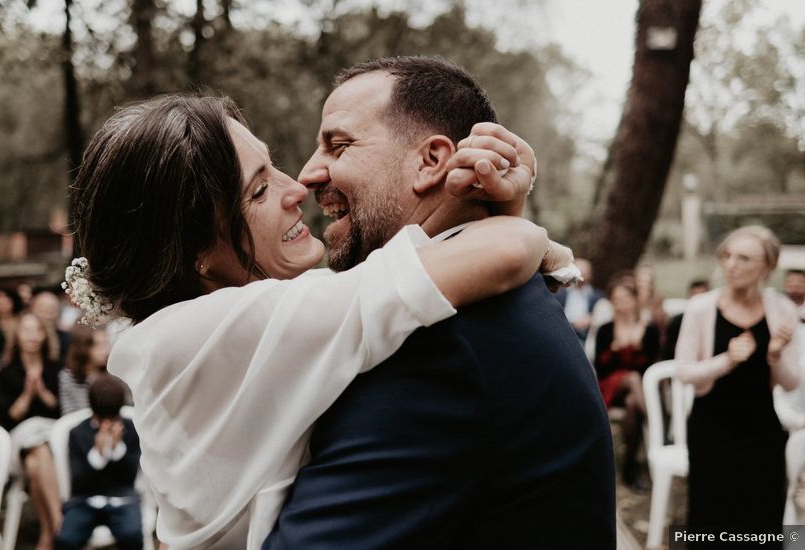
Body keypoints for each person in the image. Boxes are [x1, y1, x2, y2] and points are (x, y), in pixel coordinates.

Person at [71, 92, 579, 548]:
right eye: (258, 191)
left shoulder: (175, 334)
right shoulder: (235, 326)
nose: (297, 188)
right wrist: (501, 204)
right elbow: (509, 252)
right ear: (198, 253)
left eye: (272, 169)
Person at [261, 56, 614, 548]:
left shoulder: (435, 342)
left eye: (337, 145)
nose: (307, 174)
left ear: (430, 161)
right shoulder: (488, 296)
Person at [675, 225, 800, 543]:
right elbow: (684, 371)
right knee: (711, 523)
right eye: (727, 256)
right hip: (711, 428)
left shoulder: (781, 309)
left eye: (744, 258)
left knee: (763, 521)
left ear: (768, 266)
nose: (731, 264)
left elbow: (792, 382)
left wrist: (775, 354)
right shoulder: (702, 308)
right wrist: (726, 361)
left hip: (762, 430)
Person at [0, 311, 62, 550]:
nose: (32, 335)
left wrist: (42, 391)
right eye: (26, 330)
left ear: (45, 334)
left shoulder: (55, 367)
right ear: (17, 336)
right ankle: (59, 523)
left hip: (52, 437)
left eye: (37, 330)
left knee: (35, 464)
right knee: (36, 451)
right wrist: (27, 394)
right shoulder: (7, 370)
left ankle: (47, 532)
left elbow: (61, 410)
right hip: (21, 440)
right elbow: (7, 417)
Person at [55, 375, 142, 550]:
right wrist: (98, 453)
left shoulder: (131, 429)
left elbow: (131, 475)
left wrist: (118, 449)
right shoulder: (77, 433)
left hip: (123, 499)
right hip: (84, 501)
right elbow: (78, 482)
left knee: (132, 534)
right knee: (66, 539)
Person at [594, 274, 660, 487]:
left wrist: (638, 346)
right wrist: (614, 348)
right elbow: (600, 369)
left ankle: (629, 467)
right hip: (609, 388)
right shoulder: (606, 329)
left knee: (633, 403)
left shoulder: (649, 330)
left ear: (634, 300)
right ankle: (657, 425)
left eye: (625, 299)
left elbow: (650, 370)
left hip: (638, 392)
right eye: (616, 300)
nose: (620, 304)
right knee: (631, 378)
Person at [58, 325, 110, 416]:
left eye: (105, 344)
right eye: (98, 345)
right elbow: (68, 414)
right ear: (84, 347)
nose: (105, 351)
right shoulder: (68, 376)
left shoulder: (111, 374)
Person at [556, 258, 602, 342]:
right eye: (578, 271)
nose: (581, 275)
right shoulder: (559, 294)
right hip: (563, 333)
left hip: (586, 336)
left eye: (584, 272)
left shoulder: (597, 296)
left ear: (590, 275)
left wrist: (593, 318)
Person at [663, 278, 710, 360]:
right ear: (689, 297)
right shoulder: (676, 323)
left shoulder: (716, 322)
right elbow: (668, 352)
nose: (699, 302)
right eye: (696, 297)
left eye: (703, 297)